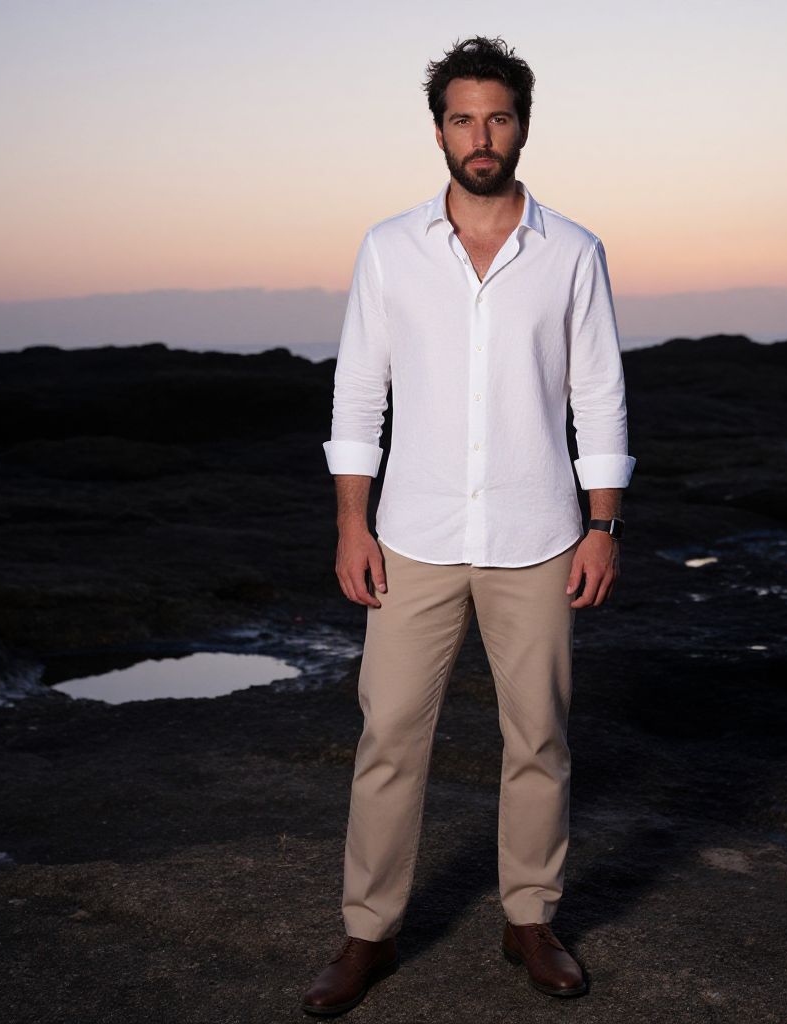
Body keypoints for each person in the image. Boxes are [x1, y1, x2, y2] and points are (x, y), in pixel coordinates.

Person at [302, 35, 636, 1017]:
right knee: (389, 735)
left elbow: (599, 396)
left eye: (496, 117)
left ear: (521, 124)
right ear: (438, 129)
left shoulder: (573, 251)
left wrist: (602, 524)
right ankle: (368, 933)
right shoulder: (387, 249)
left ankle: (528, 918)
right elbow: (358, 394)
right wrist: (351, 526)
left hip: (538, 535)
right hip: (410, 533)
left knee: (537, 734)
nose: (479, 136)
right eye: (461, 118)